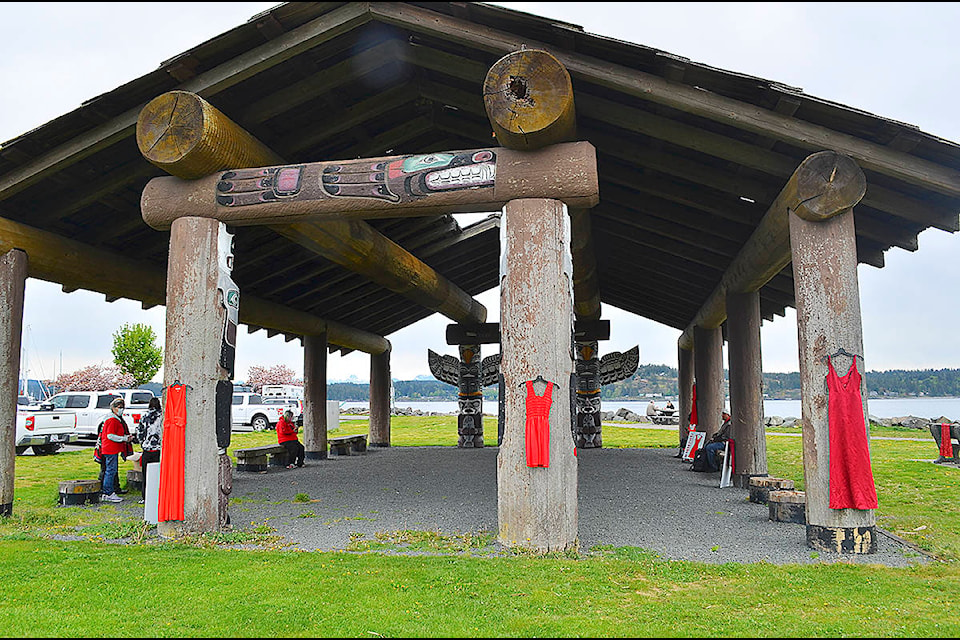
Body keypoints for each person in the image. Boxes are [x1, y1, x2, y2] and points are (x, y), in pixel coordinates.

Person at [100, 397, 134, 502]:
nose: (121, 409)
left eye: (122, 407)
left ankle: (110, 490)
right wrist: (124, 438)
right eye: (119, 407)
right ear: (113, 408)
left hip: (111, 448)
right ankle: (108, 492)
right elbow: (110, 435)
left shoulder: (113, 419)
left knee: (111, 470)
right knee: (110, 470)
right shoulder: (112, 420)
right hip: (110, 448)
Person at [136, 396, 163, 505]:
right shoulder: (162, 416)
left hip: (147, 450)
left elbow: (139, 433)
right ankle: (158, 495)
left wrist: (142, 443)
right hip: (159, 449)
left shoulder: (144, 417)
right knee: (159, 474)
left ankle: (145, 497)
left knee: (146, 474)